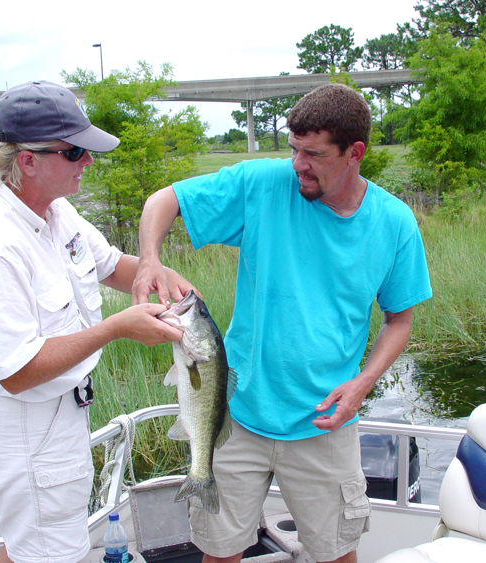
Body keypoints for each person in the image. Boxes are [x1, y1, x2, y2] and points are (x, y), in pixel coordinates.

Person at [132, 83, 432, 563]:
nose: (298, 164)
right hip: (236, 417)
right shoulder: (263, 185)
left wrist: (363, 384)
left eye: (312, 154)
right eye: (294, 149)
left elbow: (400, 320)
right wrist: (149, 258)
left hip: (324, 422)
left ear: (355, 152)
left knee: (336, 554)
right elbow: (162, 201)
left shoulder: (394, 223)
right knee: (220, 551)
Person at [0, 80, 194, 563]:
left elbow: (110, 265)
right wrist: (117, 327)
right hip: (26, 428)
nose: (89, 161)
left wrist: (157, 273)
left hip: (58, 417)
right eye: (75, 151)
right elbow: (18, 373)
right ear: (28, 160)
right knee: (49, 552)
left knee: (31, 547)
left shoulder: (57, 213)